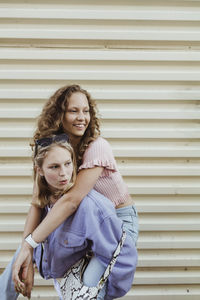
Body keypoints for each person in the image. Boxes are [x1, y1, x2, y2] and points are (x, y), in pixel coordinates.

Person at [0, 84, 139, 298]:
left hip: (113, 224)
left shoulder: (97, 146)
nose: (82, 117)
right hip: (78, 219)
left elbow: (72, 200)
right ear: (59, 115)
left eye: (86, 111)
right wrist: (26, 248)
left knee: (85, 290)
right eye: (74, 111)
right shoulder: (51, 150)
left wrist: (31, 244)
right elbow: (38, 202)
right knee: (20, 256)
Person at [17, 134, 137, 299]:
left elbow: (120, 253)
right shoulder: (46, 207)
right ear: (40, 171)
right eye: (54, 167)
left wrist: (95, 289)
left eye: (67, 164)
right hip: (66, 284)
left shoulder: (91, 206)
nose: (64, 173)